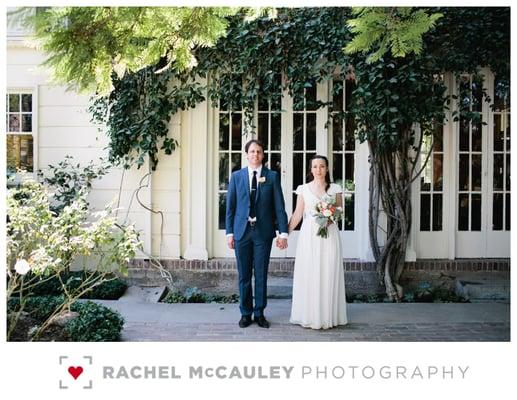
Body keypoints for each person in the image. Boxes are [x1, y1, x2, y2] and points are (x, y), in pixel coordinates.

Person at [226, 139, 289, 329]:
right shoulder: (236, 176)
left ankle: (259, 312)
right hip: (241, 232)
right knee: (244, 275)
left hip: (263, 233)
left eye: (259, 152)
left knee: (261, 274)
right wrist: (229, 233)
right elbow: (230, 207)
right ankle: (245, 313)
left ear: (263, 155)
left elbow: (279, 206)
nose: (255, 155)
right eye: (252, 151)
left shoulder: (272, 176)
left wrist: (283, 233)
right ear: (246, 154)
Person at [288, 155, 348, 329]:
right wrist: (285, 234)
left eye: (322, 166)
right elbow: (298, 214)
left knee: (328, 271)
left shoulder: (335, 188)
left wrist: (330, 217)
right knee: (310, 272)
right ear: (311, 170)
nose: (318, 170)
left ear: (327, 169)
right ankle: (309, 314)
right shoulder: (303, 189)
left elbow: (339, 211)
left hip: (329, 234)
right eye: (315, 166)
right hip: (309, 236)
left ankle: (329, 315)